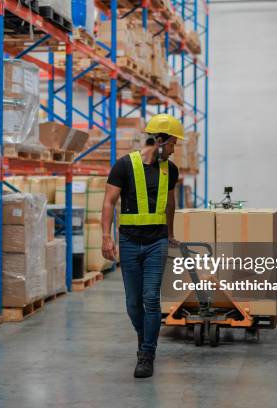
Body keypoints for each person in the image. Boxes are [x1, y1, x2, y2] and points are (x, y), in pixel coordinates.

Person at [101, 113, 183, 378]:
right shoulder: (124, 166)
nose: (174, 149)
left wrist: (170, 233)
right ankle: (144, 335)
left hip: (156, 243)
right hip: (128, 242)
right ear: (160, 141)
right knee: (132, 303)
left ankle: (147, 353)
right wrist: (106, 236)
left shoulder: (170, 170)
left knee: (150, 298)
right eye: (173, 144)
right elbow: (108, 202)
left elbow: (170, 203)